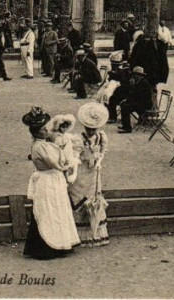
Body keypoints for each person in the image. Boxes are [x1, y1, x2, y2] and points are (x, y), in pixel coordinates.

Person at [22, 107, 80, 260]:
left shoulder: (44, 144)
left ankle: (61, 243)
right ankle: (46, 247)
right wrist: (69, 161)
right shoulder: (40, 147)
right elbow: (58, 163)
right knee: (49, 211)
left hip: (54, 179)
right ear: (36, 132)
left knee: (58, 209)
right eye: (43, 128)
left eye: (46, 127)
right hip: (48, 180)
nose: (47, 129)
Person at [68, 103, 110, 247]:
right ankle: (79, 235)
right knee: (79, 199)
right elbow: (74, 156)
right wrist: (75, 166)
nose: (91, 132)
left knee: (94, 200)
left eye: (93, 129)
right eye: (88, 129)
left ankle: (95, 233)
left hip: (94, 173)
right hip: (81, 173)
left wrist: (99, 161)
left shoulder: (101, 137)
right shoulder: (78, 139)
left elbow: (103, 152)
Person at [118, 66, 153, 133]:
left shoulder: (143, 83)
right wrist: (127, 100)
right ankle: (125, 125)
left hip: (145, 104)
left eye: (134, 75)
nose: (133, 76)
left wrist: (132, 86)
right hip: (140, 102)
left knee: (126, 108)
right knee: (124, 104)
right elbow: (134, 96)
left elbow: (137, 95)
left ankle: (128, 128)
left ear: (139, 75)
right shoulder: (139, 81)